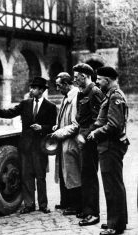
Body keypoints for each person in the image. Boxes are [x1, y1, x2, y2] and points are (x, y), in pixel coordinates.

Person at [0, 76, 57, 214]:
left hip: (40, 148)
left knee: (40, 177)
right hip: (25, 147)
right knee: (26, 176)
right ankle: (29, 204)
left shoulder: (50, 107)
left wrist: (42, 127)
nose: (31, 90)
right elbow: (9, 113)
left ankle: (43, 205)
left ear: (41, 90)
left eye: (35, 88)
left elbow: (53, 126)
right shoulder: (25, 104)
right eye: (31, 87)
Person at [87, 66, 129, 235]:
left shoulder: (115, 97)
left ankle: (114, 225)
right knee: (115, 185)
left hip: (110, 146)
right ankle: (118, 222)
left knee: (112, 186)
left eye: (99, 79)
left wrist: (95, 133)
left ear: (108, 80)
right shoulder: (111, 96)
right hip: (109, 146)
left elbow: (114, 125)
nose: (97, 82)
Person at [73, 63, 104, 226]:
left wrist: (85, 135)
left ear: (84, 76)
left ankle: (93, 213)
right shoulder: (83, 92)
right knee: (85, 174)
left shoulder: (94, 92)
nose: (74, 79)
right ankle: (87, 209)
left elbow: (99, 120)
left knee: (90, 175)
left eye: (76, 77)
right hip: (83, 138)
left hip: (90, 140)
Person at [51, 72, 82, 216]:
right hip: (63, 140)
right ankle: (66, 202)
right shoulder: (66, 98)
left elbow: (76, 125)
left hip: (71, 141)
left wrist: (60, 132)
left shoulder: (75, 98)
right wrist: (56, 127)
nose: (57, 89)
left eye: (58, 86)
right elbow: (63, 118)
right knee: (63, 173)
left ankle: (75, 205)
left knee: (72, 173)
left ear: (65, 84)